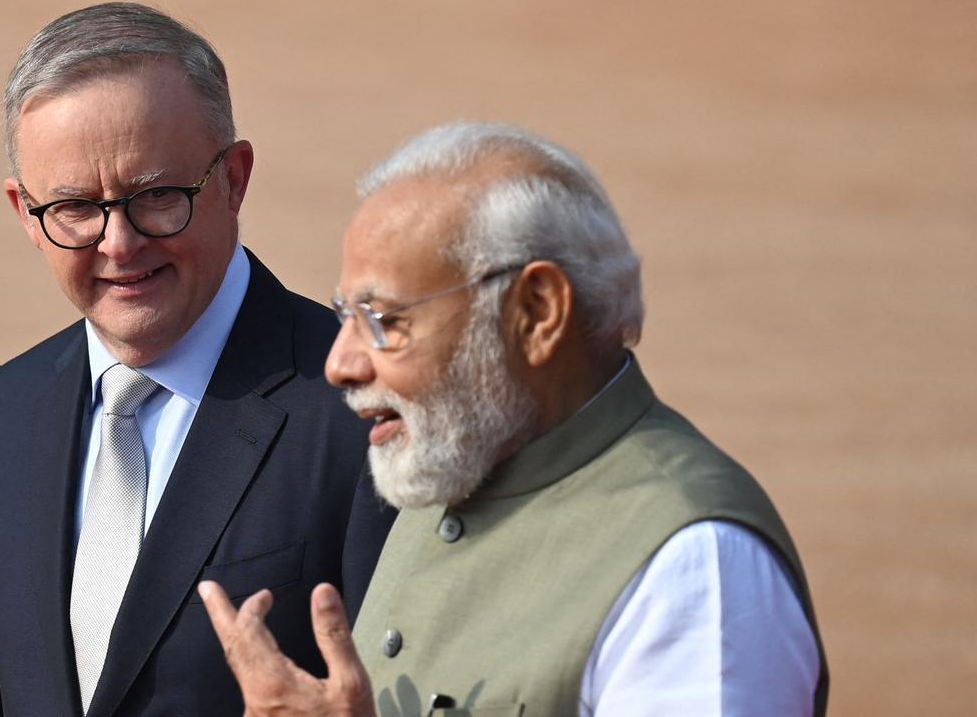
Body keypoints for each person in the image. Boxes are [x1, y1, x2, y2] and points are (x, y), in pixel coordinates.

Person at [199, 123, 830, 716]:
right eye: (345, 317)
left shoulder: (697, 568)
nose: (340, 363)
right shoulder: (452, 464)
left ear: (537, 312)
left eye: (385, 320)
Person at [0, 3, 394, 716]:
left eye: (156, 196)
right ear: (25, 213)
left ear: (234, 179)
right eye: (76, 207)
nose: (120, 244)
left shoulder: (366, 408)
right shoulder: (4, 409)